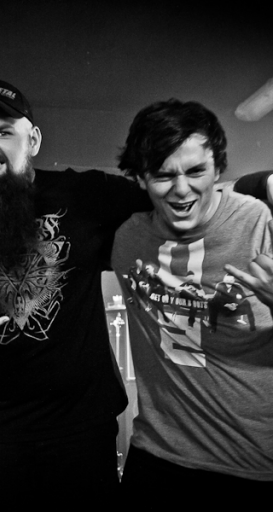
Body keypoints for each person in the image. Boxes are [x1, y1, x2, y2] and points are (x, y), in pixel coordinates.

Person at [0, 78, 270, 511]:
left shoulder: (86, 196)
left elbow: (173, 189)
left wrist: (261, 184)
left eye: (3, 132)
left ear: (33, 140)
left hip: (82, 430)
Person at [111, 98, 273, 508]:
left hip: (254, 466)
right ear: (141, 179)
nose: (182, 189)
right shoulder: (128, 238)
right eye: (163, 175)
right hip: (157, 457)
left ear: (218, 169)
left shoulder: (260, 224)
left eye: (196, 171)